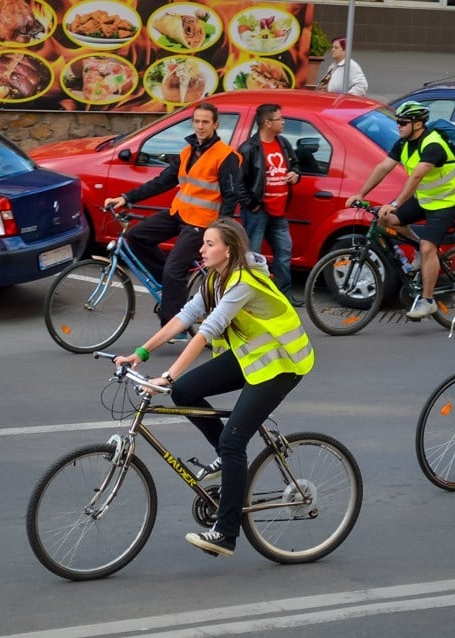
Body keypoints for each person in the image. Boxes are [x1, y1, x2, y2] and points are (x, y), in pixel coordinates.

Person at [115, 218, 314, 557]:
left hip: (282, 364)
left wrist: (168, 375)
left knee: (233, 440)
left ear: (229, 250)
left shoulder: (244, 282)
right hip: (252, 357)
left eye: (209, 244)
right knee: (186, 392)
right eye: (203, 243)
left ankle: (226, 533)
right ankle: (226, 459)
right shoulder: (214, 279)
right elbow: (183, 317)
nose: (201, 249)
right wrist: (140, 353)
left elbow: (207, 330)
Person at [103, 102, 242, 338]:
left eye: (205, 122)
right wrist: (126, 198)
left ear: (215, 125)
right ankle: (170, 284)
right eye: (196, 121)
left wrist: (219, 231)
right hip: (178, 213)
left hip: (202, 222)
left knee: (174, 269)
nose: (200, 126)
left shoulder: (226, 157)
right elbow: (163, 181)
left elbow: (231, 197)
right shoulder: (188, 151)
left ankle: (174, 327)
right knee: (133, 238)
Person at [345, 101, 455, 319]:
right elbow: (383, 167)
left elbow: (416, 176)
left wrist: (394, 204)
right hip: (425, 198)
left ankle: (427, 300)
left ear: (418, 124)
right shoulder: (403, 142)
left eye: (403, 122)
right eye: (397, 122)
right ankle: (418, 250)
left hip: (447, 201)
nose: (399, 126)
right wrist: (361, 194)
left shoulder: (433, 145)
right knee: (386, 221)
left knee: (428, 246)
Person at [236, 104, 302, 307]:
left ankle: (284, 295)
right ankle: (252, 296)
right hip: (258, 211)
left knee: (284, 253)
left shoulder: (283, 143)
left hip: (279, 210)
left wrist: (295, 175)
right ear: (267, 123)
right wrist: (251, 205)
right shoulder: (249, 148)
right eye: (279, 119)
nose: (283, 122)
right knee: (253, 257)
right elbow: (238, 182)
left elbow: (295, 165)